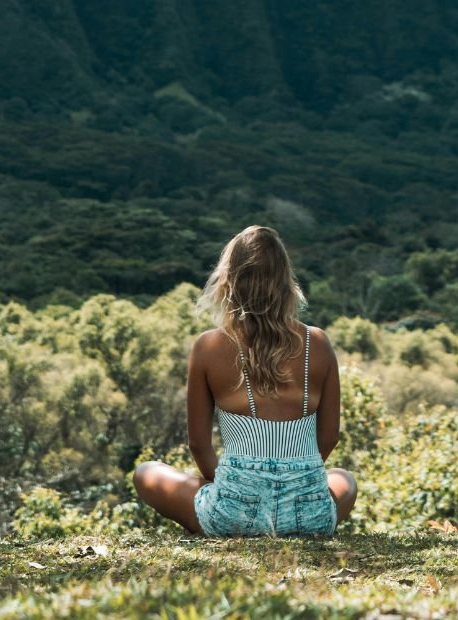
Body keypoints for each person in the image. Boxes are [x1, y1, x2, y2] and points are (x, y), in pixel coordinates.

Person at [133, 225, 357, 536]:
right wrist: (294, 480)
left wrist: (237, 488)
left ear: (229, 280)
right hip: (309, 515)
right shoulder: (317, 342)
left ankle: (227, 520)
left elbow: (199, 444)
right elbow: (329, 436)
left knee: (146, 472)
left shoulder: (209, 346)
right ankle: (295, 521)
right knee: (345, 479)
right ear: (285, 281)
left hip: (233, 513)